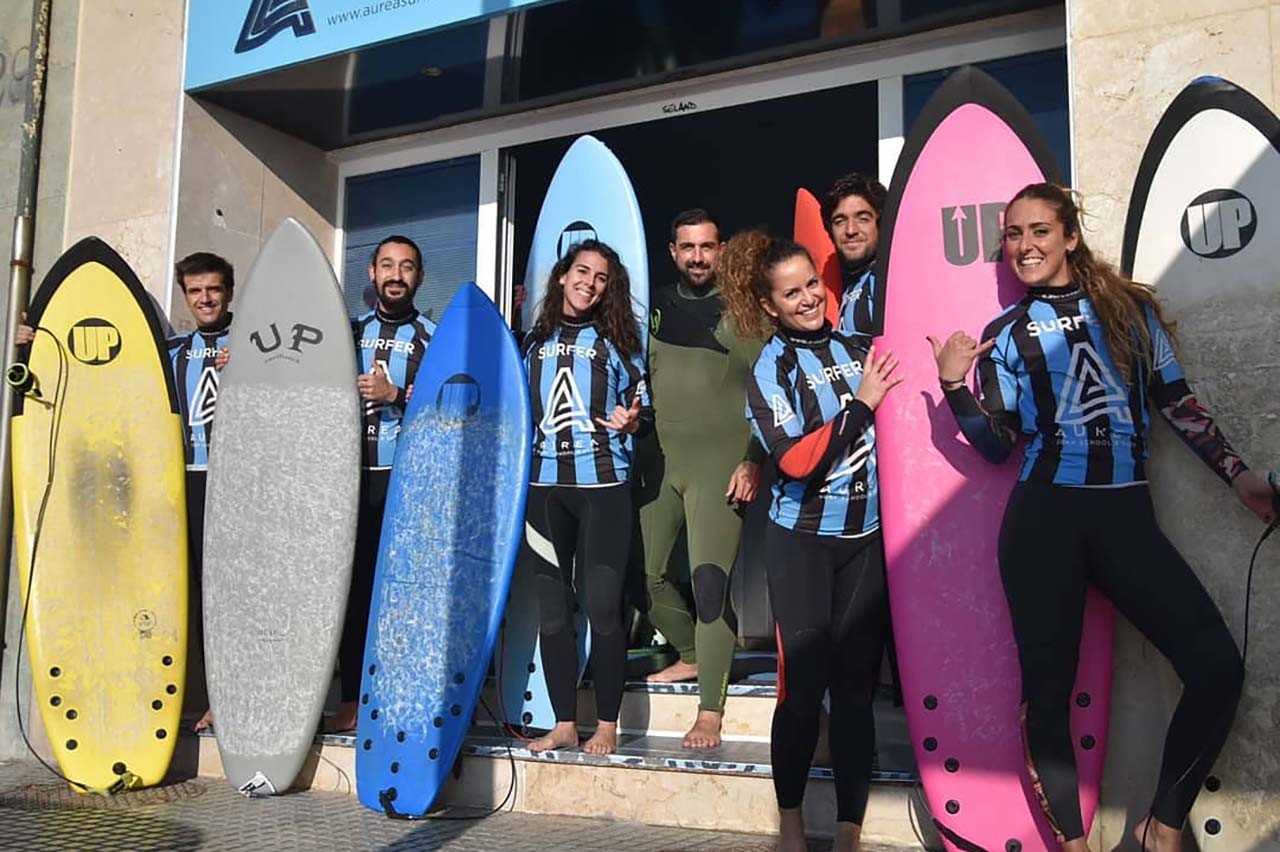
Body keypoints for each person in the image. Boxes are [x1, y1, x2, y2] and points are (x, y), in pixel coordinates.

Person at [928, 183, 1275, 852]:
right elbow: (998, 443)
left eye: (1038, 232)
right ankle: (1076, 844)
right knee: (1047, 698)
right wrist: (952, 386)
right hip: (1042, 524)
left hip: (1124, 519)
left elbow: (1176, 402)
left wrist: (1239, 477)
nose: (1024, 246)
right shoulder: (1005, 336)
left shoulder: (1128, 312)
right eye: (1013, 236)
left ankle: (1162, 826)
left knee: (1216, 667)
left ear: (1069, 237)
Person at [723, 230, 901, 852]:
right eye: (790, 292)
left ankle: (849, 832)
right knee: (802, 693)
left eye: (811, 286)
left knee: (855, 694)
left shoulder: (861, 347)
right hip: (801, 543)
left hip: (866, 543)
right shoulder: (769, 369)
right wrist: (861, 406)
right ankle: (791, 824)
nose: (806, 299)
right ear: (770, 305)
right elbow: (797, 461)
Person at [17, 252, 229, 732]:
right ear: (186, 298)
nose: (205, 299)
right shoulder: (168, 353)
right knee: (190, 590)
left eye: (213, 289)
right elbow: (94, 379)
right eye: (195, 292)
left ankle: (235, 696)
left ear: (228, 292)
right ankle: (204, 696)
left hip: (236, 482)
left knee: (231, 596)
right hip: (182, 482)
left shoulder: (252, 342)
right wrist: (32, 345)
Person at [519, 239, 651, 757]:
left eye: (600, 278)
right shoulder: (530, 341)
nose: (589, 283)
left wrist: (634, 419)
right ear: (561, 276)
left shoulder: (620, 342)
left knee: (602, 608)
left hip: (603, 492)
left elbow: (644, 410)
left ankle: (609, 723)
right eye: (581, 271)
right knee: (553, 613)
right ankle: (564, 722)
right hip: (544, 493)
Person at [639, 209, 764, 749]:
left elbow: (772, 393)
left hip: (721, 464)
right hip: (661, 461)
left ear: (722, 249)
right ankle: (692, 655)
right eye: (687, 247)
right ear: (672, 251)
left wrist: (755, 458)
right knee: (644, 575)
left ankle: (710, 708)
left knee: (710, 582)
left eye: (707, 246)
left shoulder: (745, 313)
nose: (697, 257)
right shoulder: (656, 310)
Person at [328, 235, 436, 733]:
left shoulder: (434, 340)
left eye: (407, 267)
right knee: (350, 592)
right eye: (387, 265)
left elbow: (452, 415)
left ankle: (399, 693)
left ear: (419, 277)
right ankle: (351, 698)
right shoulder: (341, 333)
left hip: (405, 484)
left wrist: (395, 394)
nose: (396, 274)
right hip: (345, 482)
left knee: (402, 595)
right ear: (370, 273)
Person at [822, 173, 886, 337]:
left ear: (880, 224)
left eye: (863, 218)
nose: (851, 230)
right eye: (840, 221)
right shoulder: (850, 283)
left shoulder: (888, 277)